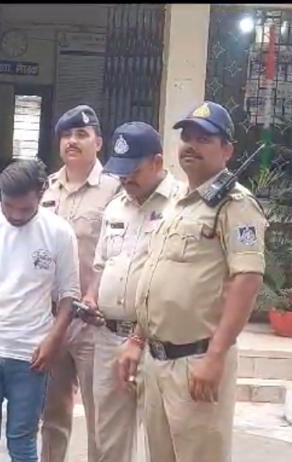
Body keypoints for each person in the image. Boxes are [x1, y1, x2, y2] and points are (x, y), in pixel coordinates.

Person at [116, 102, 268, 462]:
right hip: (156, 361)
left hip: (196, 362)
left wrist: (215, 356)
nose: (191, 146)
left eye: (204, 139)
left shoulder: (236, 205)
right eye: (187, 138)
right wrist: (136, 339)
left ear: (227, 150)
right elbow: (157, 277)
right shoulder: (179, 203)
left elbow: (247, 280)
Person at [0, 159, 99, 462]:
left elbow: (69, 296)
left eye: (24, 209)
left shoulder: (59, 233)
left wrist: (53, 341)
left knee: (22, 444)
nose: (14, 215)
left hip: (31, 356)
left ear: (42, 192)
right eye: (8, 206)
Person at [85, 121, 181, 462]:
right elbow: (101, 265)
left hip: (158, 342)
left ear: (158, 162)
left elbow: (176, 281)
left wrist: (139, 338)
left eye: (134, 171)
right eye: (120, 171)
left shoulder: (181, 206)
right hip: (109, 337)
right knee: (108, 441)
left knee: (163, 441)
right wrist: (91, 296)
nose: (126, 178)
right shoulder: (115, 206)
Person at [39, 104, 122, 462]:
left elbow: (120, 252)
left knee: (100, 416)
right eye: (66, 135)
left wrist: (95, 295)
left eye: (81, 135)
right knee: (52, 414)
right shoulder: (46, 187)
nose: (72, 141)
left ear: (98, 143)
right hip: (51, 319)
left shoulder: (116, 189)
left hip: (93, 322)